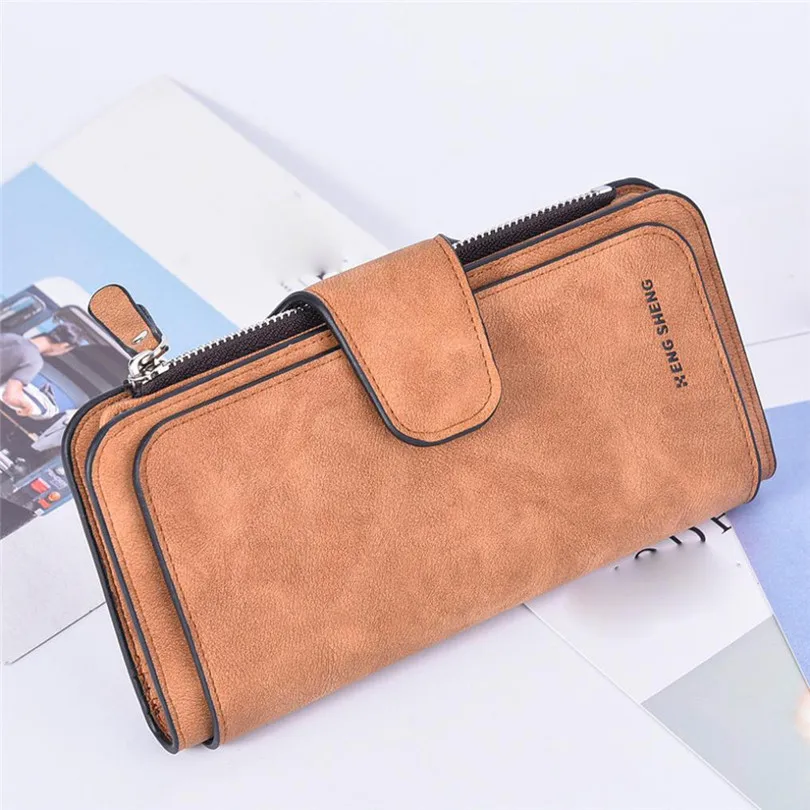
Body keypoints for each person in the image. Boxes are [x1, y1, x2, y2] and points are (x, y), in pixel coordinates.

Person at [0, 324, 82, 417]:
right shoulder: (34, 360)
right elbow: (10, 396)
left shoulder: (10, 337)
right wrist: (27, 407)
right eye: (65, 351)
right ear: (64, 345)